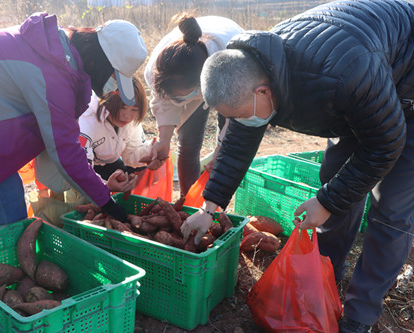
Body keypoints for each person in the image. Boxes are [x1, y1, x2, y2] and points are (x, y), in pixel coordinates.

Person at [181, 0, 414, 331]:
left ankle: (359, 316)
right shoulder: (254, 69)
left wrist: (325, 201)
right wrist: (209, 205)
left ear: (262, 91)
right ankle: (322, 281)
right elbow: (238, 140)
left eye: (239, 113)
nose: (240, 122)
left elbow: (386, 143)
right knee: (336, 181)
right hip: (363, 88)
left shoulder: (343, 75)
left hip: (405, 85)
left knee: (390, 209)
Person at [0, 12, 148, 226]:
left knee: (10, 191)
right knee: (9, 203)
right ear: (99, 60)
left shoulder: (63, 45)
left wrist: (101, 188)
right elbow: (66, 151)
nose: (110, 84)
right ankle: (11, 261)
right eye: (112, 75)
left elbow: (60, 141)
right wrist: (108, 203)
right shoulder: (55, 73)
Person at [144, 13, 243, 195]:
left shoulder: (230, 64)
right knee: (188, 143)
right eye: (177, 97)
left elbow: (236, 113)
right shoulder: (157, 71)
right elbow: (164, 103)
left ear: (200, 85)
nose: (181, 100)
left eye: (183, 95)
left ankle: (215, 203)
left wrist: (222, 148)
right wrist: (163, 140)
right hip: (193, 76)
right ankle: (187, 200)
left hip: (230, 79)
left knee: (226, 152)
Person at [34, 76, 162, 197]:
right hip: (69, 167)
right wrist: (105, 186)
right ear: (108, 102)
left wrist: (151, 152)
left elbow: (131, 155)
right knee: (76, 194)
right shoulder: (86, 121)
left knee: (142, 168)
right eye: (122, 108)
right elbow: (79, 168)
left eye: (134, 110)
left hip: (105, 161)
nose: (127, 116)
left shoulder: (131, 123)